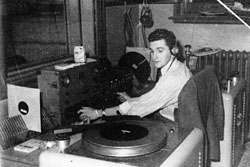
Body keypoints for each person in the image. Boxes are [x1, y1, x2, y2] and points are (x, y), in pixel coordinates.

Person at [78, 28, 192, 123]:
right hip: (171, 116)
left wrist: (98, 113)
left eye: (160, 51)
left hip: (171, 123)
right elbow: (151, 99)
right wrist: (132, 100)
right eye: (152, 51)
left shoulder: (172, 78)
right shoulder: (179, 66)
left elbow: (139, 109)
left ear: (174, 50)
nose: (155, 57)